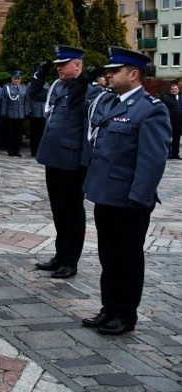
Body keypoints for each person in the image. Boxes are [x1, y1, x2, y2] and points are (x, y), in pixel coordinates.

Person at [81, 47, 170, 335]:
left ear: (133, 75)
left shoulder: (151, 109)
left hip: (129, 200)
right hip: (105, 196)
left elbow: (152, 160)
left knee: (128, 259)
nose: (108, 74)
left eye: (114, 70)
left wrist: (138, 198)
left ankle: (125, 314)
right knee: (108, 256)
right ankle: (109, 308)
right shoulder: (110, 103)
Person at [27, 45, 103, 279]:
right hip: (54, 158)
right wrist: (39, 75)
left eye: (63, 64)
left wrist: (84, 163)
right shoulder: (58, 87)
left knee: (72, 213)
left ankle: (70, 261)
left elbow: (86, 126)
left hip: (72, 163)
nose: (59, 68)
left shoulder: (90, 90)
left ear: (78, 65)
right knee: (58, 210)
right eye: (57, 64)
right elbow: (33, 94)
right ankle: (60, 256)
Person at [0, 71, 29, 156]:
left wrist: (26, 112)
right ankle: (10, 150)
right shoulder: (7, 87)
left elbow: (26, 101)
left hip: (20, 114)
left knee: (18, 134)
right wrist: (3, 113)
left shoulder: (24, 87)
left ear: (20, 79)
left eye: (18, 79)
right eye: (15, 78)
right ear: (12, 78)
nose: (16, 80)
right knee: (10, 134)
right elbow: (4, 101)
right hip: (10, 114)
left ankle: (17, 150)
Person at [27, 77, 48, 157]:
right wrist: (29, 110)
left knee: (42, 133)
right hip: (34, 111)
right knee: (34, 133)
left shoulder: (46, 84)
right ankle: (34, 151)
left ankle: (40, 151)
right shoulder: (31, 84)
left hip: (43, 111)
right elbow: (28, 98)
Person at [160, 82, 181, 159]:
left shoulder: (181, 98)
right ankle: (168, 154)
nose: (174, 90)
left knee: (177, 138)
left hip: (179, 122)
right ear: (170, 90)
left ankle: (176, 154)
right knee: (168, 138)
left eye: (176, 89)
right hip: (169, 121)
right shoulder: (166, 98)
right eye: (173, 89)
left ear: (178, 90)